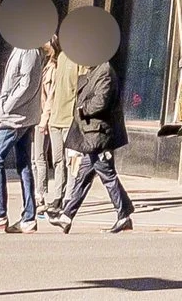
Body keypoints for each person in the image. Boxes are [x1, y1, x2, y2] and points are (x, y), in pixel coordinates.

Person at [56, 50, 135, 236]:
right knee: (83, 175)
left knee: (107, 175)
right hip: (90, 135)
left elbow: (101, 101)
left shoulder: (105, 71)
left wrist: (83, 109)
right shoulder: (94, 71)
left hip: (98, 134)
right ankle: (67, 216)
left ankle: (123, 214)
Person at [0, 33, 44, 232]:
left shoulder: (30, 50)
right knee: (24, 164)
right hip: (20, 115)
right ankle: (28, 217)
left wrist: (7, 107)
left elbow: (26, 84)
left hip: (17, 117)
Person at [36, 43, 82, 213]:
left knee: (71, 161)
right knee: (58, 160)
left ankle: (69, 197)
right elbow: (52, 91)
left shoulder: (80, 61)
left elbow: (81, 90)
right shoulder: (61, 58)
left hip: (70, 119)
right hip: (55, 118)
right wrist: (47, 116)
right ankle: (57, 196)